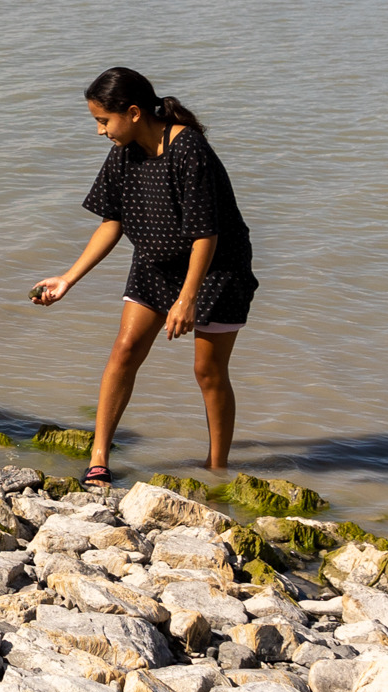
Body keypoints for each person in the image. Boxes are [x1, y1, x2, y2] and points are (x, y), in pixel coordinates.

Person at [31, 65, 258, 488]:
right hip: (155, 261)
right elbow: (111, 222)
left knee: (207, 371)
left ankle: (216, 470)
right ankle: (99, 460)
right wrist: (68, 279)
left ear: (134, 112)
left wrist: (187, 298)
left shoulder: (189, 149)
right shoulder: (124, 151)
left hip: (214, 268)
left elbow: (206, 234)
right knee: (125, 349)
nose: (100, 132)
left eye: (103, 121)